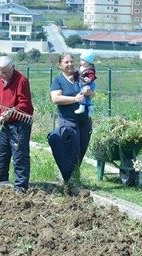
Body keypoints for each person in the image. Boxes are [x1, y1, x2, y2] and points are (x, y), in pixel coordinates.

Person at [0, 56, 34, 193]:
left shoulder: (22, 81)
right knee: (3, 149)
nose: (3, 75)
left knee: (19, 153)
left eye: (6, 72)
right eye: (1, 72)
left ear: (13, 67)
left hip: (21, 121)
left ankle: (21, 185)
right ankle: (2, 177)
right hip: (6, 120)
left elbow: (24, 104)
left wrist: (9, 113)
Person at [49, 53, 95, 184]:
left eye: (71, 61)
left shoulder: (79, 76)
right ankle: (67, 176)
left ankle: (74, 177)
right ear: (60, 65)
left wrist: (89, 93)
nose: (70, 64)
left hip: (84, 121)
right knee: (69, 148)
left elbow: (92, 94)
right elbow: (55, 98)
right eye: (66, 62)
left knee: (81, 150)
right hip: (68, 120)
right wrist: (74, 99)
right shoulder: (58, 80)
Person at [75, 49, 96, 115]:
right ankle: (90, 108)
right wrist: (73, 76)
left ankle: (82, 107)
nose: (81, 61)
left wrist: (89, 79)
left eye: (83, 60)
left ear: (88, 62)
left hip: (88, 84)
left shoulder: (90, 69)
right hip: (83, 84)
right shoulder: (80, 67)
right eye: (81, 60)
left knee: (82, 94)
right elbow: (77, 73)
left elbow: (92, 76)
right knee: (86, 97)